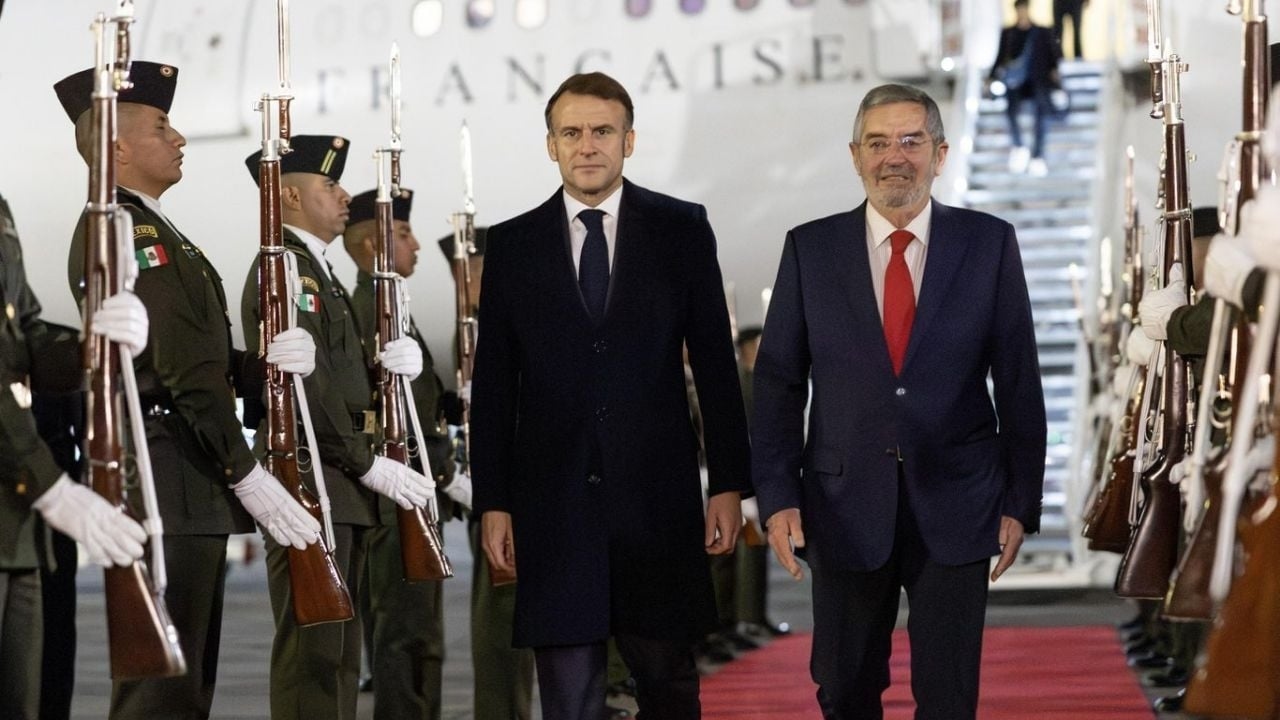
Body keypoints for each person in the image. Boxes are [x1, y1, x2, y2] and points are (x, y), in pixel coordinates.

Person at [751, 83, 1046, 719]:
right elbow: (777, 384)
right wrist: (777, 498)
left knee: (947, 696)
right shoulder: (810, 249)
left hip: (960, 501)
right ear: (855, 156)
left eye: (911, 141)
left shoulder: (989, 244)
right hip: (842, 502)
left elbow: (1019, 378)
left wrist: (1022, 500)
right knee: (845, 687)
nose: (895, 156)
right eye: (879, 142)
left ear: (940, 154)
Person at [469, 71, 751, 720]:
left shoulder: (681, 229)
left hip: (659, 509)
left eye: (602, 131)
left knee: (670, 687)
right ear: (551, 145)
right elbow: (494, 387)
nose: (587, 145)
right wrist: (495, 503)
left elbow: (714, 363)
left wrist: (729, 486)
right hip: (554, 510)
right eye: (572, 132)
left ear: (629, 141)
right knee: (568, 700)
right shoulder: (511, 245)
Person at [56, 61, 323, 719]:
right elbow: (179, 370)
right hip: (164, 474)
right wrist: (245, 471)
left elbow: (198, 357)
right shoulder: (127, 231)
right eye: (162, 126)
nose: (179, 140)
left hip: (187, 477)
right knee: (161, 693)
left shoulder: (163, 232)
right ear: (116, 146)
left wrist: (263, 366)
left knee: (187, 687)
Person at [240, 135, 434, 720]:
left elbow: (339, 378)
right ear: (292, 196)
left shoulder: (315, 272)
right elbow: (309, 395)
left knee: (342, 657)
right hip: (312, 478)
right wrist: (367, 460)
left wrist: (386, 369)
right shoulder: (285, 271)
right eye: (330, 185)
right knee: (314, 659)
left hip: (336, 480)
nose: (345, 195)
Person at [1, 191, 150, 720]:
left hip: (15, 529)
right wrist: (51, 486)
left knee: (27, 699)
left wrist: (94, 346)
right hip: (26, 489)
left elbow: (23, 337)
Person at [342, 187, 468, 720]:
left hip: (413, 490)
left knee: (418, 638)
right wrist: (443, 470)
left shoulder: (393, 305)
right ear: (373, 244)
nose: (415, 243)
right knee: (405, 638)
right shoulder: (374, 307)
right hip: (397, 497)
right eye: (403, 232)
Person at [436, 228, 538, 720]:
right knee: (502, 619)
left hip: (518, 487)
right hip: (503, 494)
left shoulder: (494, 322)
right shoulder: (474, 328)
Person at [990, 0, 1062, 177]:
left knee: (1041, 116)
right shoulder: (1009, 33)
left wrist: (1056, 79)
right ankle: (1019, 146)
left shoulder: (1042, 32)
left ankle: (1037, 155)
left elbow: (1053, 57)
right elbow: (1001, 57)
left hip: (1038, 81)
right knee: (1011, 111)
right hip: (1015, 83)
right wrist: (992, 77)